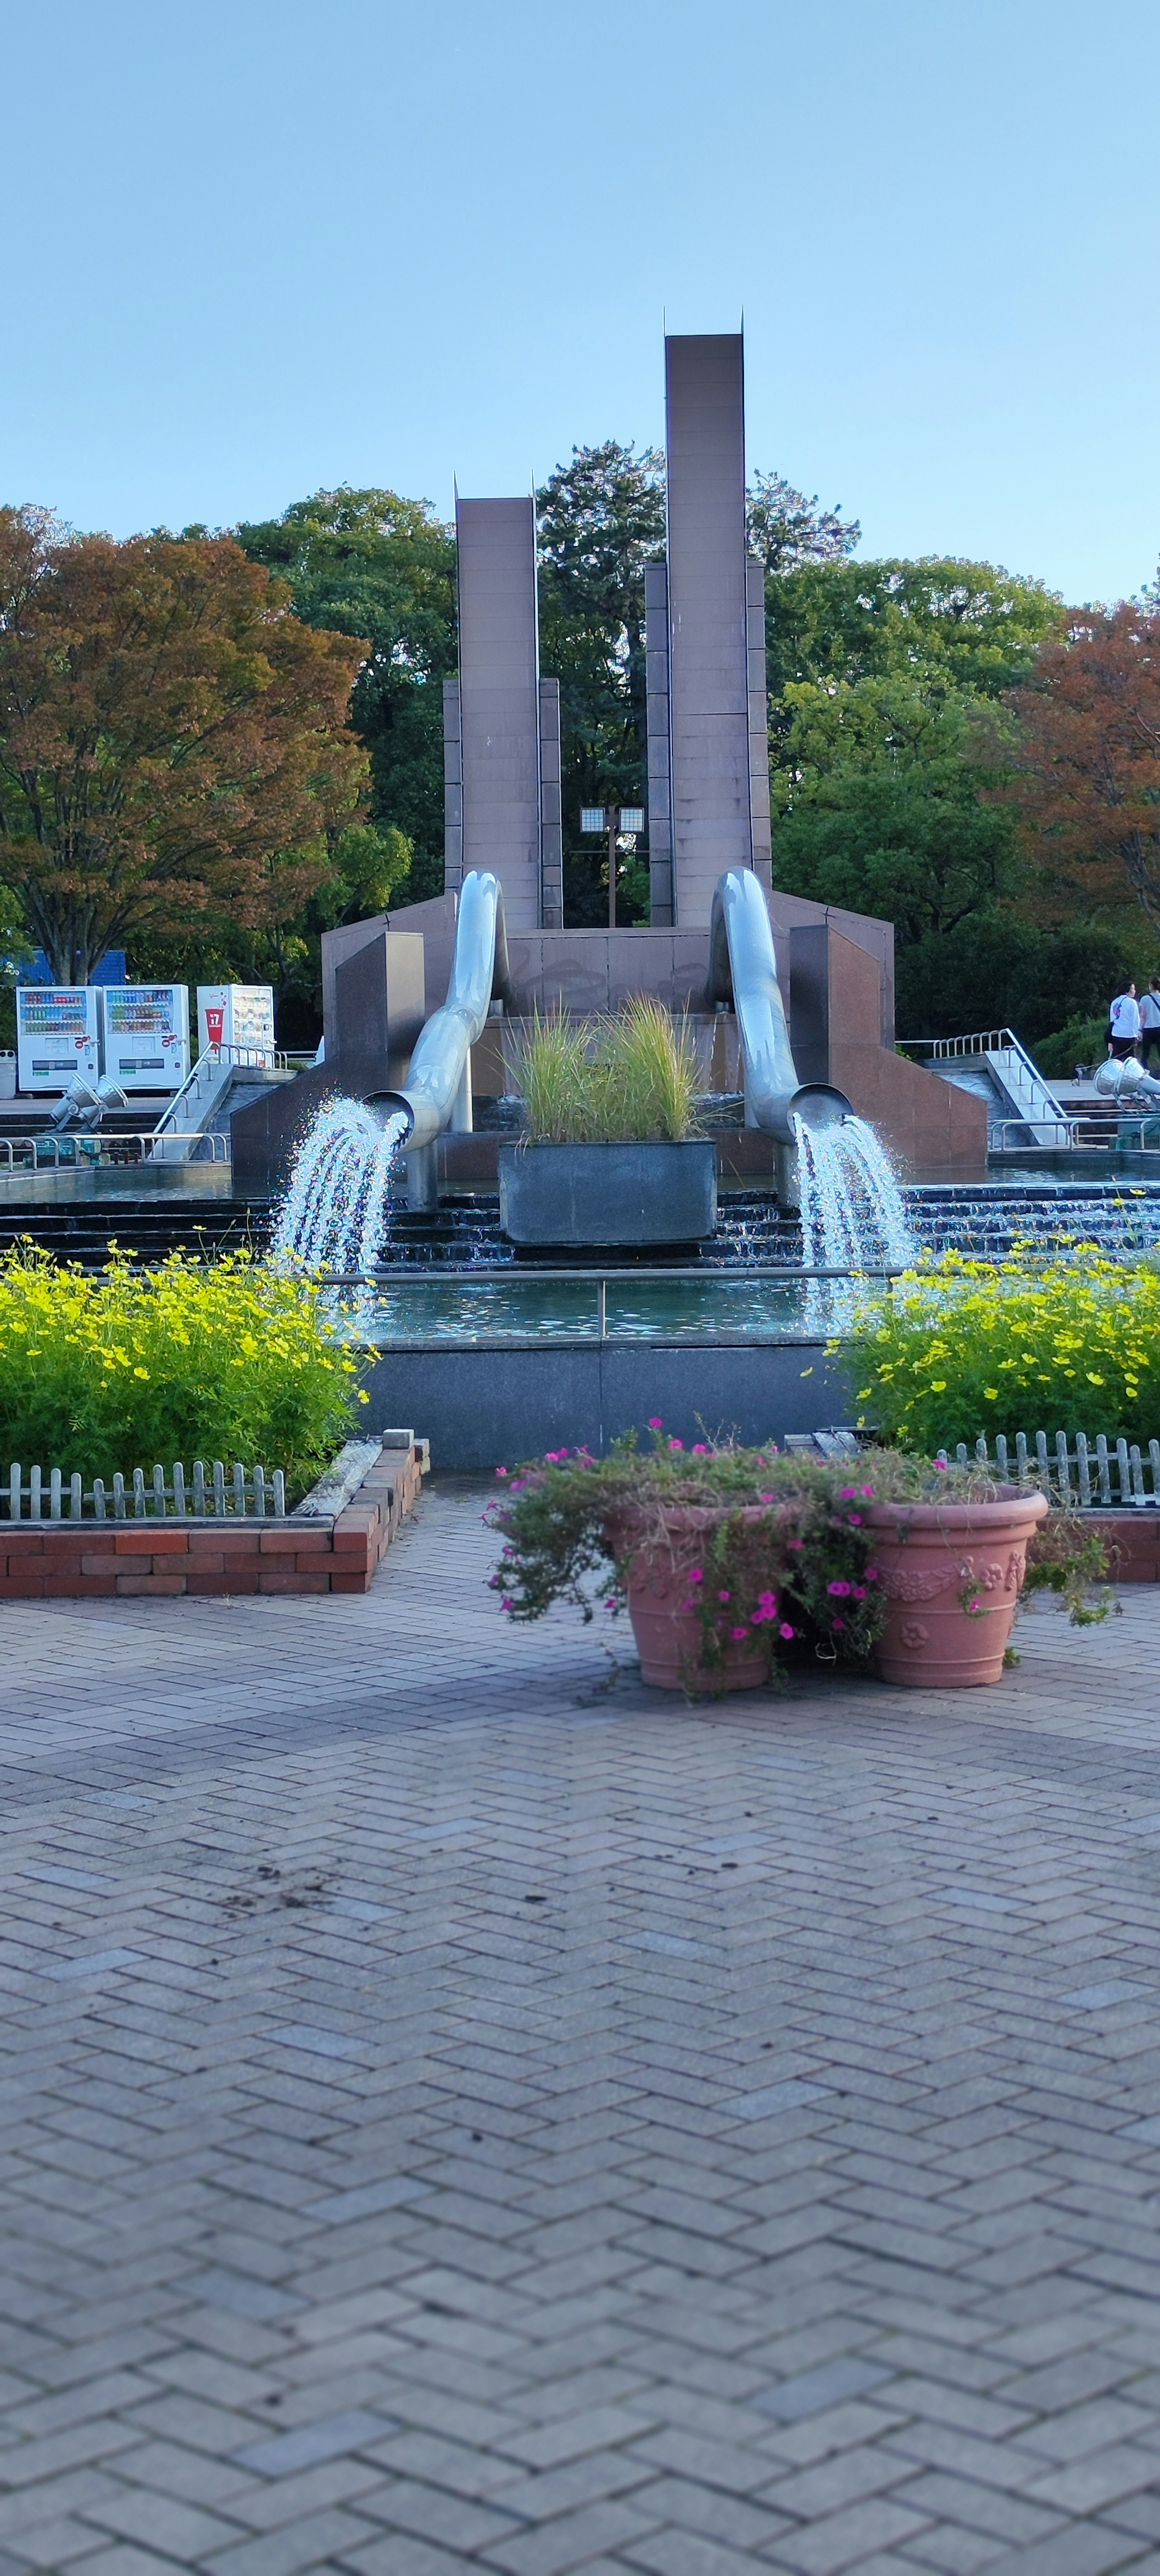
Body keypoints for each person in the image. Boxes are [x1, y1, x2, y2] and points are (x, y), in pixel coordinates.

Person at [1109, 983, 1141, 1058]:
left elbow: (1112, 1020)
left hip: (1116, 1035)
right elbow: (1136, 1020)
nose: (1135, 991)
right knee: (1130, 1059)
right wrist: (1138, 1034)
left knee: (1117, 1059)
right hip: (1129, 1035)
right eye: (1133, 989)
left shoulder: (1115, 1002)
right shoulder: (1132, 1002)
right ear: (1128, 991)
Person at [1139, 978, 1160, 1071]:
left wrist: (1140, 1029)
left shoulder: (1145, 999)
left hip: (1149, 1029)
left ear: (1151, 986)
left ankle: (1145, 1073)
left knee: (1145, 1054)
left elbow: (1143, 1016)